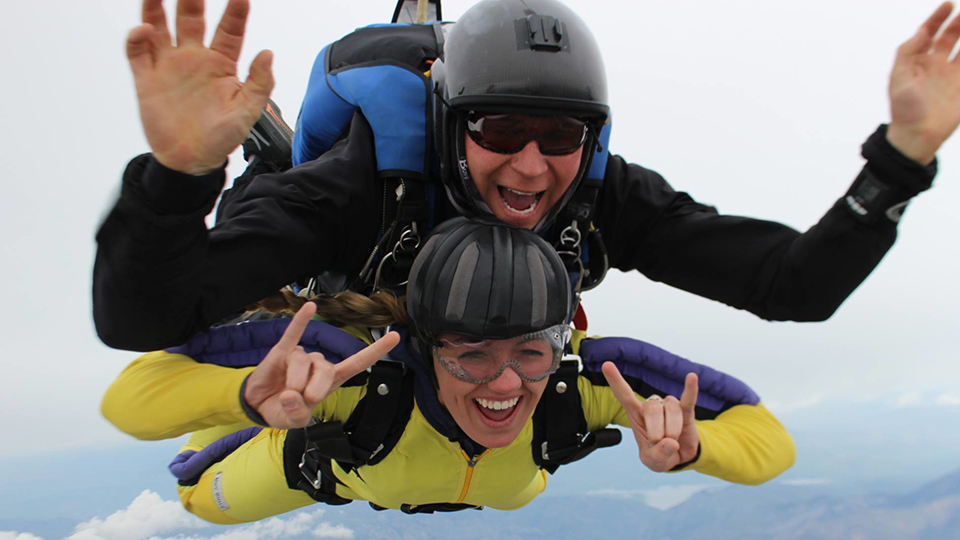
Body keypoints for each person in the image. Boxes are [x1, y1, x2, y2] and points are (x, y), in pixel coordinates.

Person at [94, 0, 955, 351]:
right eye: (501, 129)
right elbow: (145, 316)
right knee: (280, 225)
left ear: (595, 137)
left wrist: (902, 159)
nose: (533, 165)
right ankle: (269, 144)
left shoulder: (602, 193)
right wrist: (177, 175)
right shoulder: (357, 188)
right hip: (351, 270)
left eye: (562, 135)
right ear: (450, 125)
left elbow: (793, 285)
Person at [101, 218, 795, 523]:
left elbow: (771, 443)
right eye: (470, 354)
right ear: (421, 347)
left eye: (530, 351)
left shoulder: (586, 383)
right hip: (325, 465)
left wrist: (696, 448)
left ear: (561, 340)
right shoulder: (355, 372)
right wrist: (246, 397)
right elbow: (128, 400)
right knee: (196, 495)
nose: (504, 383)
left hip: (487, 482)